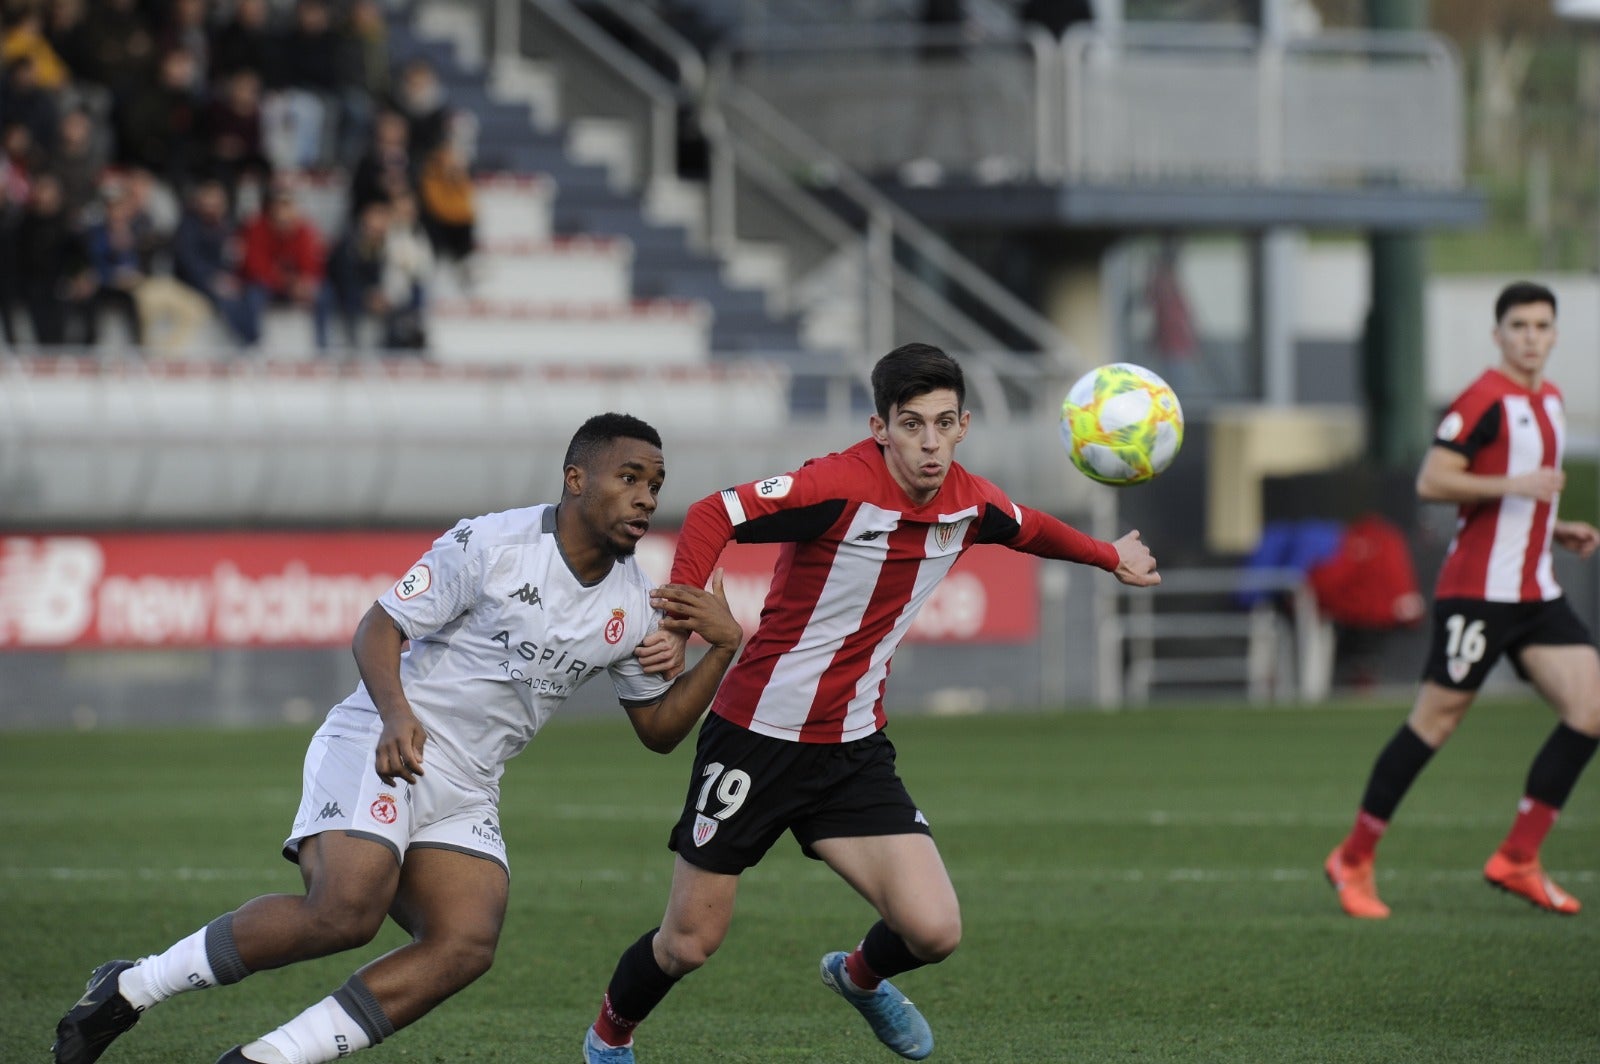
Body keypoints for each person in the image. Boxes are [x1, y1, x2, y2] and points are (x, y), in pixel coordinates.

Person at [52, 413, 746, 1064]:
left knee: (466, 941)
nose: (646, 497)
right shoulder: (491, 545)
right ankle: (132, 987)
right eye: (629, 477)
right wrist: (394, 716)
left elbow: (657, 731)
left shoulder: (634, 603)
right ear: (576, 479)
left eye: (655, 484)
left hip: (468, 786)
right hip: (385, 744)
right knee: (345, 913)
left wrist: (721, 649)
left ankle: (267, 1058)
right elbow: (377, 628)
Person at [581, 343, 1161, 1063]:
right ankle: (609, 1037)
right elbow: (712, 512)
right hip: (754, 739)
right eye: (911, 424)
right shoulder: (832, 487)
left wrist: (1111, 555)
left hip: (852, 748)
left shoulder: (969, 503)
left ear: (964, 426)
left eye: (943, 424)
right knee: (690, 943)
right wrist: (677, 623)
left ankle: (858, 977)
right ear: (880, 426)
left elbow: (1033, 528)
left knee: (934, 930)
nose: (929, 443)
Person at [1324, 281, 1600, 920]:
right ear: (1499, 334)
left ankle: (1518, 858)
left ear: (1555, 334)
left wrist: (1554, 526)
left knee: (1589, 709)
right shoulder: (1483, 400)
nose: (1531, 337)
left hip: (1536, 590)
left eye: (1541, 326)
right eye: (1519, 326)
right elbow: (1433, 480)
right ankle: (1354, 858)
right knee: (1435, 724)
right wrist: (1518, 484)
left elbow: (1515, 499)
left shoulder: (1551, 401)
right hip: (1478, 594)